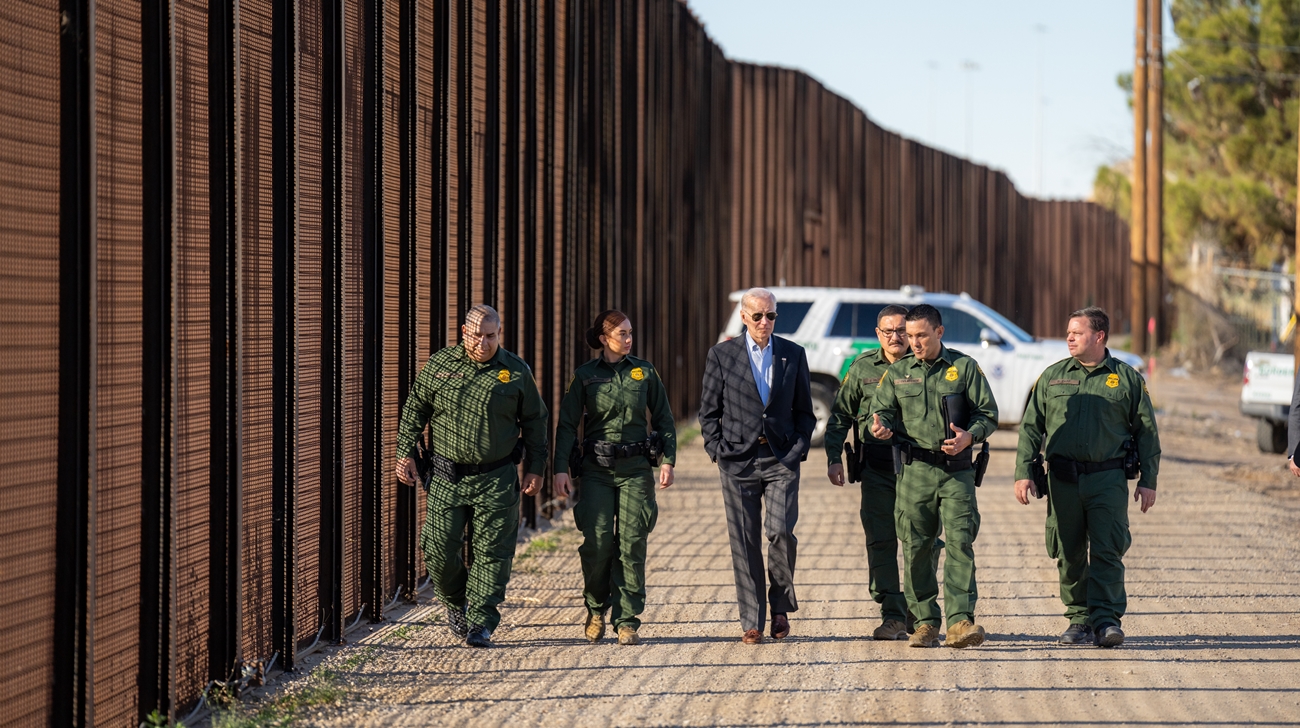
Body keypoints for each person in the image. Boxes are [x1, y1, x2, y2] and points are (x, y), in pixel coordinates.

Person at [395, 305, 549, 648]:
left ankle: (481, 621)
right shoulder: (440, 366)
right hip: (448, 477)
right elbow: (415, 408)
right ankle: (456, 602)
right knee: (437, 547)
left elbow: (536, 422)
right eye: (477, 335)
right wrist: (404, 451)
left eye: (491, 336)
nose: (484, 343)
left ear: (499, 334)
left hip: (496, 477)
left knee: (492, 550)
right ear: (464, 332)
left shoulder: (515, 370)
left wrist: (537, 469)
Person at [1014, 307, 1160, 648]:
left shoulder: (1127, 379)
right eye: (1068, 332)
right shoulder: (1051, 377)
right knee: (1069, 551)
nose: (1069, 338)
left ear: (1099, 337)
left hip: (1107, 479)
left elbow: (1147, 434)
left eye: (1077, 333)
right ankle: (1078, 618)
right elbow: (1031, 429)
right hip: (1062, 480)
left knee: (1107, 551)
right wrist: (1024, 473)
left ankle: (1107, 620)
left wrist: (1148, 480)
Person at [868, 304, 998, 649]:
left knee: (959, 543)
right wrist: (879, 427)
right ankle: (925, 622)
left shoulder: (964, 367)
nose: (914, 343)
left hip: (956, 472)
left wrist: (970, 435)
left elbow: (988, 413)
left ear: (939, 332)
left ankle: (960, 622)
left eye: (921, 335)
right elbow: (881, 412)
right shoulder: (898, 373)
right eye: (909, 337)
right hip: (915, 472)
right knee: (916, 547)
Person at [552, 310, 677, 646]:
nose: (628, 338)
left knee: (632, 542)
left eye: (630, 332)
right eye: (621, 333)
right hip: (597, 470)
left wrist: (668, 461)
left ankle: (626, 620)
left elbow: (664, 419)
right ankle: (595, 609)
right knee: (598, 542)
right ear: (604, 338)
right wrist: (560, 468)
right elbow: (567, 425)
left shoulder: (645, 372)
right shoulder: (585, 376)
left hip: (636, 469)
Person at [699, 287, 816, 644]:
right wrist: (717, 450)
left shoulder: (793, 354)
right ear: (744, 316)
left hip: (781, 459)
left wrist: (796, 450)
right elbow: (709, 412)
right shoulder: (721, 355)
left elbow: (805, 413)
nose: (765, 322)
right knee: (745, 540)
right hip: (737, 461)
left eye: (772, 316)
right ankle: (752, 620)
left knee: (780, 531)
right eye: (758, 315)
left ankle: (780, 606)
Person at [824, 304, 920, 640]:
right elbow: (840, 416)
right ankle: (892, 614)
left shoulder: (924, 364)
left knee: (921, 541)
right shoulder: (863, 367)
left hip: (918, 469)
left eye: (902, 331)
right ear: (878, 334)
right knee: (881, 540)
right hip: (877, 468)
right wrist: (833, 456)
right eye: (888, 331)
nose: (896, 337)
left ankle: (918, 609)